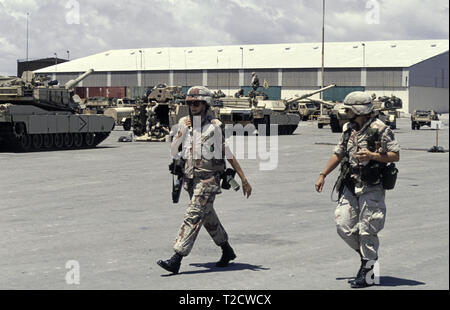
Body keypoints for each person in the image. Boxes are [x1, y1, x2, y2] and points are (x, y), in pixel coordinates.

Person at [157, 86, 252, 274]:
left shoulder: (214, 126)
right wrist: (180, 133)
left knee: (193, 215)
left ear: (206, 104)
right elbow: (174, 151)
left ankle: (176, 258)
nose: (193, 106)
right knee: (207, 217)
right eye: (190, 103)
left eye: (197, 103)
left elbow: (227, 152)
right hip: (190, 180)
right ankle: (227, 250)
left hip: (208, 180)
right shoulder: (185, 123)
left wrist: (243, 177)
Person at [314, 91, 400, 288]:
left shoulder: (381, 129)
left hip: (372, 185)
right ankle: (367, 256)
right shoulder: (348, 128)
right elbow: (339, 153)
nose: (345, 112)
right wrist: (323, 174)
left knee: (367, 229)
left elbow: (395, 155)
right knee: (343, 225)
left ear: (359, 110)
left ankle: (368, 271)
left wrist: (372, 155)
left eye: (349, 109)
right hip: (350, 184)